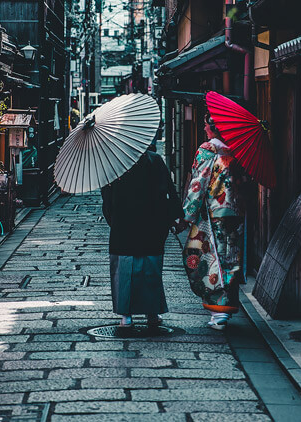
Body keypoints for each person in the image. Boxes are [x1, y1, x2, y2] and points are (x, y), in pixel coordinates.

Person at [101, 143, 183, 328]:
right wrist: (173, 217)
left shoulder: (115, 163)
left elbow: (107, 198)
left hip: (123, 226)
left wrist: (113, 221)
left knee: (124, 270)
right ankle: (152, 314)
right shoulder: (154, 160)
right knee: (151, 269)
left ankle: (126, 317)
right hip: (152, 225)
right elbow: (169, 191)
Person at [179, 113, 246, 330]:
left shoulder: (208, 149)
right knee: (230, 260)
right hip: (234, 213)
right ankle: (223, 310)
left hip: (212, 212)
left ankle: (218, 312)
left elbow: (199, 182)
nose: (204, 128)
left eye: (206, 125)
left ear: (213, 128)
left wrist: (188, 213)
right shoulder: (234, 150)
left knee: (206, 257)